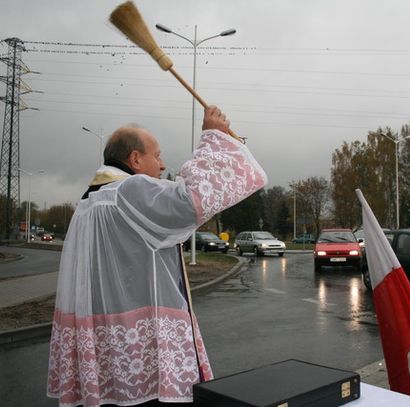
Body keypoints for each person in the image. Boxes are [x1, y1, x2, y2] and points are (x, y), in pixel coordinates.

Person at [47, 106, 267, 407]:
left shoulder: (90, 202)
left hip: (106, 343)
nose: (162, 165)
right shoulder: (130, 191)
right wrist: (213, 137)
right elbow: (192, 200)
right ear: (135, 158)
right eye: (157, 155)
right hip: (143, 349)